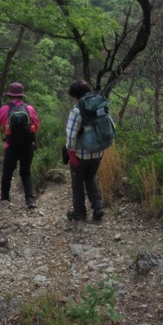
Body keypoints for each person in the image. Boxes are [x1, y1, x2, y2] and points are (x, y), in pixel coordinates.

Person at [0, 82, 40, 208]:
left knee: (7, 172)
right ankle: (30, 200)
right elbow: (37, 126)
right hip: (28, 146)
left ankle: (5, 198)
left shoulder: (4, 109)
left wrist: (1, 131)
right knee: (26, 172)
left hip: (11, 146)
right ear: (21, 95)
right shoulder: (29, 109)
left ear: (10, 95)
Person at [65, 80, 104, 222]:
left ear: (76, 96)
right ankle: (98, 207)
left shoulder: (77, 110)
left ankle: (79, 213)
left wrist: (70, 151)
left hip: (80, 154)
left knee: (77, 181)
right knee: (90, 177)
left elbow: (71, 133)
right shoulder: (99, 106)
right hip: (98, 152)